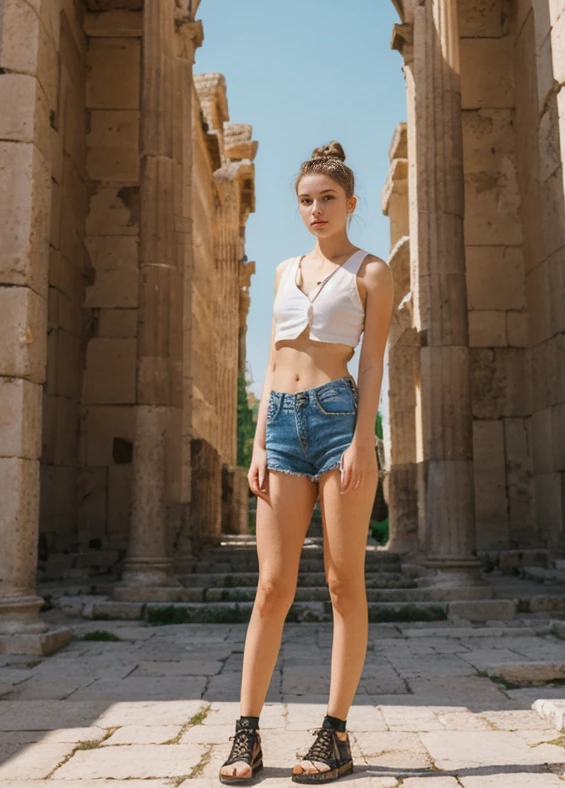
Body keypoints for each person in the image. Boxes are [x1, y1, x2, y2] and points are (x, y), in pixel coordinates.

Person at [218, 140, 393, 785]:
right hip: (284, 425)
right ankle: (247, 733)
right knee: (272, 586)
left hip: (338, 419)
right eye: (305, 200)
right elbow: (270, 360)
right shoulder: (283, 270)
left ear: (350, 203)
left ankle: (335, 733)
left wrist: (360, 439)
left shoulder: (371, 272)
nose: (315, 209)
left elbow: (371, 362)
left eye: (327, 199)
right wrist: (259, 443)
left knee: (344, 583)